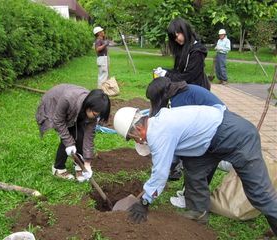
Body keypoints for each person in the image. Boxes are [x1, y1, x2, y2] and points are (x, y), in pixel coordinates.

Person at [113, 106, 277, 235]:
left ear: (137, 129)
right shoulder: (159, 121)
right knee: (194, 168)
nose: (137, 141)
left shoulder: (157, 133)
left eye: (132, 138)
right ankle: (198, 212)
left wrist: (144, 201)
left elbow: (160, 174)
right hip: (212, 139)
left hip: (236, 136)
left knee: (260, 195)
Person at [146, 77, 230, 208]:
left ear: (160, 96)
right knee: (198, 161)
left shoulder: (180, 101)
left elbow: (178, 136)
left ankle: (188, 198)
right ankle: (191, 196)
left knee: (196, 162)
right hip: (219, 122)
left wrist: (170, 163)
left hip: (217, 128)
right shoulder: (179, 91)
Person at [36, 84, 110, 182]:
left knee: (80, 135)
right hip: (54, 104)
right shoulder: (68, 99)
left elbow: (89, 135)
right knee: (68, 137)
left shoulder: (93, 110)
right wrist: (69, 144)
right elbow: (59, 121)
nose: (96, 118)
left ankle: (80, 166)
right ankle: (58, 169)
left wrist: (87, 162)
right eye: (95, 115)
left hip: (76, 108)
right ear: (89, 106)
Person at [154, 18, 210, 90]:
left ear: (184, 30)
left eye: (177, 36)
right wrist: (164, 70)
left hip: (197, 91)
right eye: (174, 38)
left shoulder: (197, 52)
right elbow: (178, 71)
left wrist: (166, 74)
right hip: (186, 89)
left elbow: (188, 77)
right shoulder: (183, 49)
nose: (176, 40)